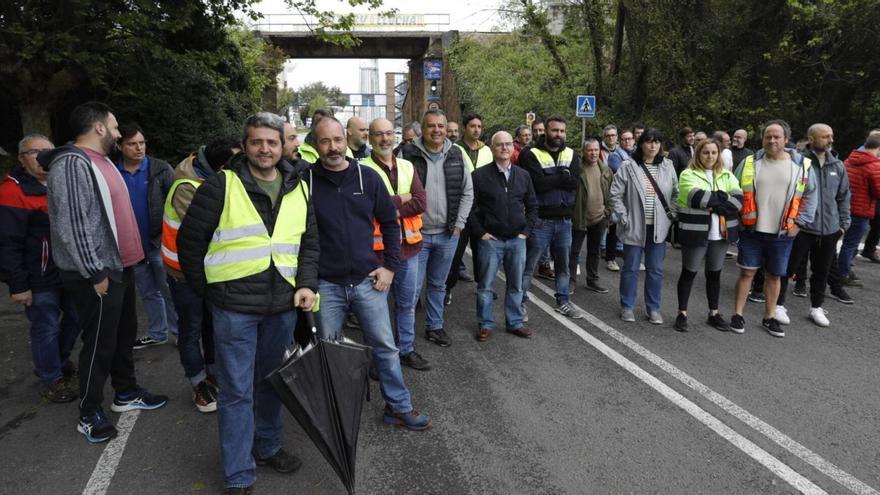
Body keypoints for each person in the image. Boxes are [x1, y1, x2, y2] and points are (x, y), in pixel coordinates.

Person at [177, 112, 320, 493]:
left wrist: (305, 282)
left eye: (272, 142)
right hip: (234, 309)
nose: (265, 149)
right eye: (257, 142)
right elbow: (189, 244)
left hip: (282, 306)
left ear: (283, 145)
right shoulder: (221, 185)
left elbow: (309, 241)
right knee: (237, 392)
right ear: (246, 145)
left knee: (272, 383)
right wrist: (209, 291)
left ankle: (268, 446)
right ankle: (238, 473)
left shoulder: (298, 186)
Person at [43, 102, 167, 444]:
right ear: (98, 128)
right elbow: (74, 224)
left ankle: (125, 392)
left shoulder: (100, 162)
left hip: (120, 266)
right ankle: (89, 411)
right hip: (98, 272)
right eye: (113, 127)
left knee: (122, 335)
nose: (117, 132)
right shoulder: (72, 163)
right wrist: (94, 271)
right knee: (99, 344)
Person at [306, 116, 432, 431]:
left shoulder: (367, 178)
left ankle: (398, 407)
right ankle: (338, 414)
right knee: (330, 352)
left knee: (386, 347)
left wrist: (389, 266)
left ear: (346, 139)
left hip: (367, 280)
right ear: (316, 145)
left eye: (337, 140)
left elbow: (390, 224)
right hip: (326, 284)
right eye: (325, 141)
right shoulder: (304, 181)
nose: (333, 147)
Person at [162, 136, 241, 413]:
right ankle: (198, 384)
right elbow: (209, 231)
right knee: (191, 328)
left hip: (211, 270)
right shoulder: (186, 187)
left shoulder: (208, 178)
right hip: (183, 273)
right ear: (220, 167)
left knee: (211, 324)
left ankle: (214, 375)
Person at [0, 134, 80, 403]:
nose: (44, 156)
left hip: (68, 271)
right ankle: (52, 378)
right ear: (22, 159)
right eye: (36, 152)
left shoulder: (61, 182)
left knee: (76, 317)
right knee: (46, 327)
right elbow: (6, 244)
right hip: (37, 277)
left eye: (49, 151)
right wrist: (18, 284)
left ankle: (57, 360)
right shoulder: (13, 191)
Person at [730, 119, 816, 337]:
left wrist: (799, 223)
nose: (772, 140)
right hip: (751, 230)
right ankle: (737, 315)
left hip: (783, 232)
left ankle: (769, 318)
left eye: (777, 136)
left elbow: (810, 196)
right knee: (747, 273)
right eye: (768, 136)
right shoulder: (750, 162)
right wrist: (736, 221)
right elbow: (734, 190)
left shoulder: (802, 166)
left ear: (786, 139)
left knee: (775, 275)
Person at [360, 118, 429, 371]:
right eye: (379, 134)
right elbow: (366, 208)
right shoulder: (361, 168)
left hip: (408, 249)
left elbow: (421, 202)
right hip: (376, 253)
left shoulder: (408, 166)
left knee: (406, 304)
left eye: (389, 133)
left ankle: (406, 350)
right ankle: (379, 358)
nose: (385, 139)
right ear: (370, 137)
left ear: (395, 136)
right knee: (376, 310)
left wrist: (388, 204)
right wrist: (402, 199)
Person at [400, 110, 473, 347]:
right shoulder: (407, 154)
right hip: (415, 235)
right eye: (431, 126)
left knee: (438, 284)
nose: (437, 130)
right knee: (410, 290)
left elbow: (467, 191)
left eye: (441, 126)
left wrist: (460, 224)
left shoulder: (456, 154)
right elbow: (394, 190)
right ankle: (405, 337)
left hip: (447, 233)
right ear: (423, 128)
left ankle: (435, 326)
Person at [773, 124, 849, 328]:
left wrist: (843, 224)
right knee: (788, 268)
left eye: (831, 136)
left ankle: (816, 306)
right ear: (811, 139)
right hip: (802, 227)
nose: (830, 140)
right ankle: (778, 304)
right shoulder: (800, 163)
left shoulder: (838, 166)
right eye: (825, 137)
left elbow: (843, 197)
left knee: (821, 270)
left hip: (830, 229)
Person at [114, 123, 178, 350]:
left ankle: (180, 334)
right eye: (132, 144)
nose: (139, 148)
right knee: (148, 292)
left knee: (169, 290)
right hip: (132, 246)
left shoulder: (160, 169)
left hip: (158, 242)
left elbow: (176, 203)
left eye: (142, 143)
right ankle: (157, 332)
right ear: (120, 146)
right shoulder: (113, 171)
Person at [470, 131, 538, 341]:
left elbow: (533, 206)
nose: (505, 148)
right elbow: (470, 208)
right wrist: (481, 233)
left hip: (517, 240)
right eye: (500, 145)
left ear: (513, 147)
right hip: (491, 241)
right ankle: (485, 324)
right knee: (485, 286)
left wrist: (525, 232)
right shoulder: (479, 176)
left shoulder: (523, 175)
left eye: (508, 144)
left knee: (516, 285)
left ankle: (515, 322)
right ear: (492, 148)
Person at [674, 138, 742, 332]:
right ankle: (682, 313)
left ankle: (714, 313)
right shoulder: (688, 174)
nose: (710, 156)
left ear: (718, 154)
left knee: (714, 275)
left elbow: (738, 202)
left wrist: (714, 201)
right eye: (706, 152)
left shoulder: (727, 175)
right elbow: (696, 198)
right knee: (689, 272)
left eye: (714, 152)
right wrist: (722, 198)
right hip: (695, 232)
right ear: (698, 154)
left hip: (720, 233)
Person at [611, 128, 678, 324]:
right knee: (631, 268)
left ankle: (653, 308)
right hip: (634, 225)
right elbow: (615, 194)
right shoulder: (629, 166)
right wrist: (624, 217)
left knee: (655, 269)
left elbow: (676, 194)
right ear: (641, 144)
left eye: (657, 142)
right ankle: (627, 306)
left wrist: (671, 215)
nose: (653, 146)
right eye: (649, 142)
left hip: (658, 227)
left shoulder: (668, 166)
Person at [520, 116, 584, 319]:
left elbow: (574, 183)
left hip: (565, 220)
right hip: (540, 220)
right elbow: (536, 185)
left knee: (563, 266)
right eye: (555, 130)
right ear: (545, 132)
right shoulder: (530, 154)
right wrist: (562, 176)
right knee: (529, 266)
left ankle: (563, 302)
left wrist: (552, 178)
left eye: (562, 131)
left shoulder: (572, 154)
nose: (559, 134)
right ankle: (520, 303)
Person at [569, 138, 612, 294]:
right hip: (579, 218)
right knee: (574, 251)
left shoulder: (606, 170)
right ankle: (570, 281)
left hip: (599, 218)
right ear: (584, 151)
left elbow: (611, 194)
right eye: (590, 150)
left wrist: (607, 212)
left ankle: (592, 280)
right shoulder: (577, 170)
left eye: (596, 150)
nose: (593, 153)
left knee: (594, 251)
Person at [839, 133, 880, 286]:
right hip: (861, 210)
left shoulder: (849, 160)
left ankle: (843, 270)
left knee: (844, 242)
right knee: (850, 244)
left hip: (845, 207)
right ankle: (843, 274)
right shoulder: (875, 165)